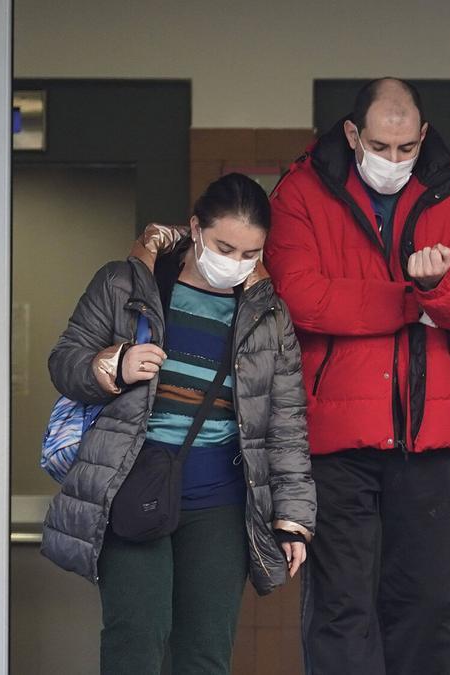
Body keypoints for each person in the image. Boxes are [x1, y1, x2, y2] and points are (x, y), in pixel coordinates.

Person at [264, 77, 450, 674]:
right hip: (336, 438)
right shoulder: (300, 190)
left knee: (427, 608)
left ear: (423, 136)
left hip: (428, 437)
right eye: (379, 145)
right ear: (352, 133)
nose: (393, 160)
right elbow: (301, 298)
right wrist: (411, 298)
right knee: (341, 608)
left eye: (405, 148)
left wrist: (439, 289)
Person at [43, 173, 316, 674]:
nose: (234, 263)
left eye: (250, 254)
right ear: (194, 228)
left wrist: (292, 518)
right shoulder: (127, 284)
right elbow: (64, 361)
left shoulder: (268, 316)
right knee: (137, 640)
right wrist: (115, 365)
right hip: (132, 482)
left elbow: (286, 423)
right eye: (223, 246)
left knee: (205, 653)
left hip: (221, 502)